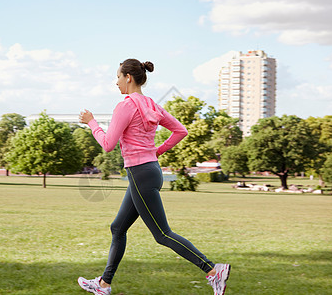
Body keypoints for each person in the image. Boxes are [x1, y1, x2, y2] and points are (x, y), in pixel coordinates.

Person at [78, 58, 230, 295]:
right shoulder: (152, 105)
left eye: (118, 76)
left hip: (140, 174)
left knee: (162, 234)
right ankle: (104, 285)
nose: (116, 82)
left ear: (128, 77)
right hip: (150, 171)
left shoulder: (125, 106)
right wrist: (156, 151)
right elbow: (181, 130)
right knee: (118, 228)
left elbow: (108, 144)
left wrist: (92, 123)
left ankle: (212, 270)